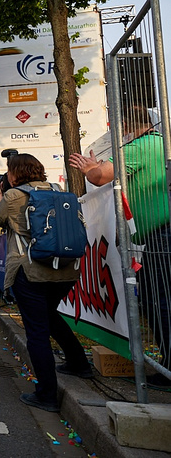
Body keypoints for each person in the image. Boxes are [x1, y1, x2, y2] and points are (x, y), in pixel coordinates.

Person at [69, 105, 170, 388]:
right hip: (157, 234)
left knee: (157, 301)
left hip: (158, 235)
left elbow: (102, 176)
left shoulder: (138, 147)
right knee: (158, 299)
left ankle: (168, 365)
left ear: (126, 124)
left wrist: (90, 168)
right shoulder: (160, 143)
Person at [0, 153, 90, 412]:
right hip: (65, 269)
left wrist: (3, 191)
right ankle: (79, 363)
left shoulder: (13, 196)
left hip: (31, 271)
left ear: (13, 174)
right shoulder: (59, 191)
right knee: (50, 316)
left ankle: (46, 394)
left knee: (36, 331)